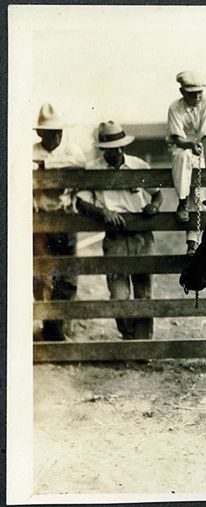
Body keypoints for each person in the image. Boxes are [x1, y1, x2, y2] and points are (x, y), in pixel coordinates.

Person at [76, 121, 163, 340]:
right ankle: (129, 338)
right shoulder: (93, 170)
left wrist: (154, 206)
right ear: (103, 149)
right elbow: (81, 202)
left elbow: (157, 193)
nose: (116, 152)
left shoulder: (138, 166)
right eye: (110, 148)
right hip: (114, 237)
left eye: (119, 146)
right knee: (118, 294)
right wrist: (102, 212)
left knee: (143, 291)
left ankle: (142, 344)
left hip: (141, 236)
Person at [32, 103, 87, 341]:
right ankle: (50, 328)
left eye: (59, 132)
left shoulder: (71, 151)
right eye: (51, 132)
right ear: (39, 133)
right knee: (43, 277)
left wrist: (48, 166)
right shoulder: (31, 152)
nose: (56, 137)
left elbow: (80, 166)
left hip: (66, 220)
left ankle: (62, 328)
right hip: (41, 221)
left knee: (67, 276)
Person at [167, 70, 206, 255]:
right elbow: (178, 139)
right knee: (183, 157)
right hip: (181, 148)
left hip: (200, 153)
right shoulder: (175, 107)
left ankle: (193, 243)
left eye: (200, 92)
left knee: (199, 199)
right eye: (192, 93)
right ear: (182, 92)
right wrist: (190, 144)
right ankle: (182, 202)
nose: (198, 97)